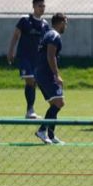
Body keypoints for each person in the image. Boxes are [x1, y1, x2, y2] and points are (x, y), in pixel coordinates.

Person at [7, 0, 50, 119]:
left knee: (33, 83)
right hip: (25, 57)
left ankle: (30, 110)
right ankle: (30, 110)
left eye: (43, 6)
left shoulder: (45, 24)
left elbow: (46, 42)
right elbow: (16, 35)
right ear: (34, 7)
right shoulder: (25, 20)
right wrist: (11, 51)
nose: (42, 8)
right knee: (30, 80)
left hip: (38, 59)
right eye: (39, 6)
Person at [34, 13, 68, 145]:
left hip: (41, 73)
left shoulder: (49, 34)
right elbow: (50, 56)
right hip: (46, 74)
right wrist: (56, 75)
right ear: (60, 22)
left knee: (55, 104)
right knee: (59, 103)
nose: (66, 26)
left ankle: (51, 135)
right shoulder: (54, 35)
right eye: (65, 23)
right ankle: (42, 130)